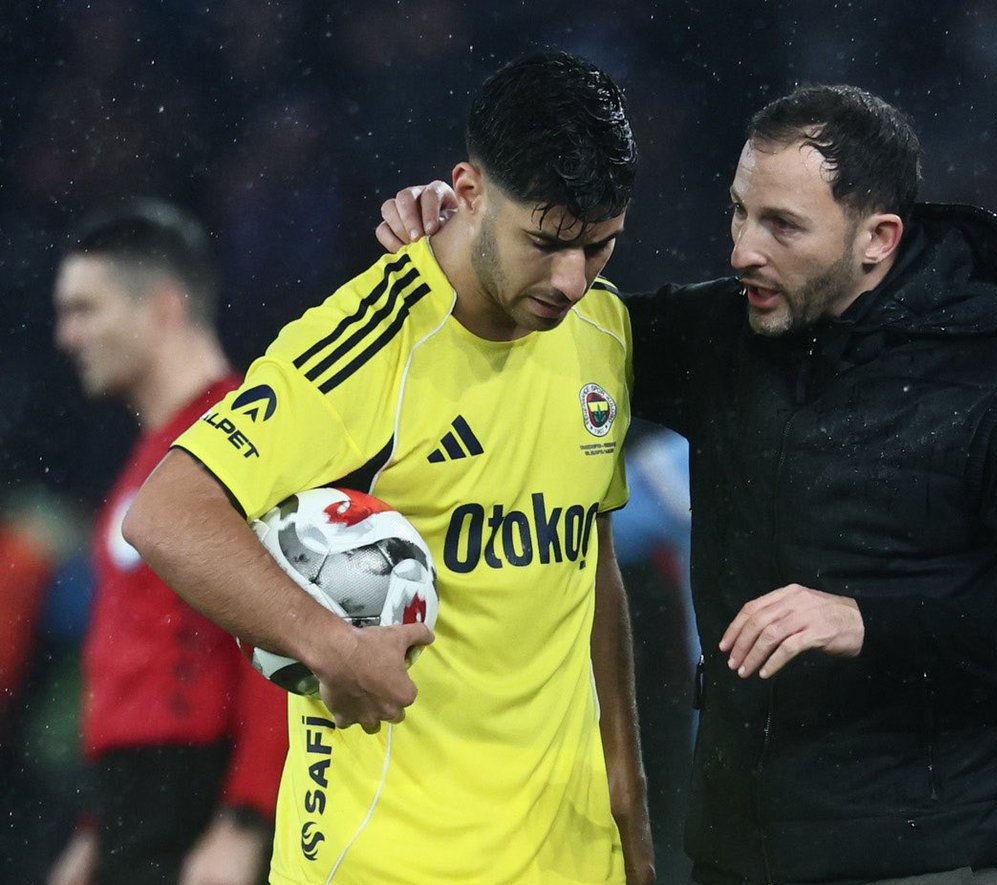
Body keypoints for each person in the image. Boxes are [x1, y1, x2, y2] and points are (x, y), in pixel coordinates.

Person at [379, 83, 997, 885]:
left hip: (928, 857)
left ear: (877, 237)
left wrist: (867, 620)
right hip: (739, 852)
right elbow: (555, 330)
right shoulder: (725, 336)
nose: (741, 250)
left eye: (781, 225)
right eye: (739, 212)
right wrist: (468, 240)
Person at [123, 53, 654, 884]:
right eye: (546, 243)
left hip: (569, 855)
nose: (572, 280)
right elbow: (166, 514)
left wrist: (628, 801)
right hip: (387, 859)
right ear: (469, 191)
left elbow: (591, 563)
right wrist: (329, 643)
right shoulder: (373, 341)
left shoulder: (605, 332)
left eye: (601, 246)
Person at [47, 200, 288, 885]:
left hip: (200, 795)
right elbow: (129, 658)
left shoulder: (242, 436)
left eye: (85, 308)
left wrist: (247, 818)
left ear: (162, 308)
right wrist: (97, 826)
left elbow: (281, 637)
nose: (67, 335)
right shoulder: (153, 455)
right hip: (136, 805)